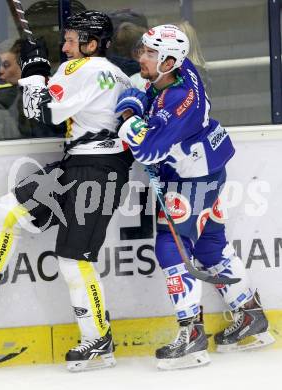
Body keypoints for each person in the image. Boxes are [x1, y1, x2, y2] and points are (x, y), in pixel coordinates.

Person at [0, 10, 133, 372]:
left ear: (91, 44)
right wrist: (40, 71)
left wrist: (34, 70)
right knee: (10, 209)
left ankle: (99, 340)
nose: (65, 46)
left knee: (75, 259)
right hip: (85, 167)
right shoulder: (118, 74)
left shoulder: (81, 69)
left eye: (72, 40)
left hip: (95, 170)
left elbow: (39, 111)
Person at [115, 24, 274, 370]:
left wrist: (128, 117)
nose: (142, 57)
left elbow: (147, 151)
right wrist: (140, 98)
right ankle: (250, 316)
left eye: (150, 54)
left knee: (171, 248)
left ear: (170, 60)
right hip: (207, 168)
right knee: (209, 245)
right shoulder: (181, 71)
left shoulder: (177, 101)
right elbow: (151, 92)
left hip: (190, 180)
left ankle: (192, 335)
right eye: (143, 50)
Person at [0, 38, 64, 138]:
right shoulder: (16, 94)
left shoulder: (50, 93)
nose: (0, 70)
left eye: (6, 65)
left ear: (23, 63)